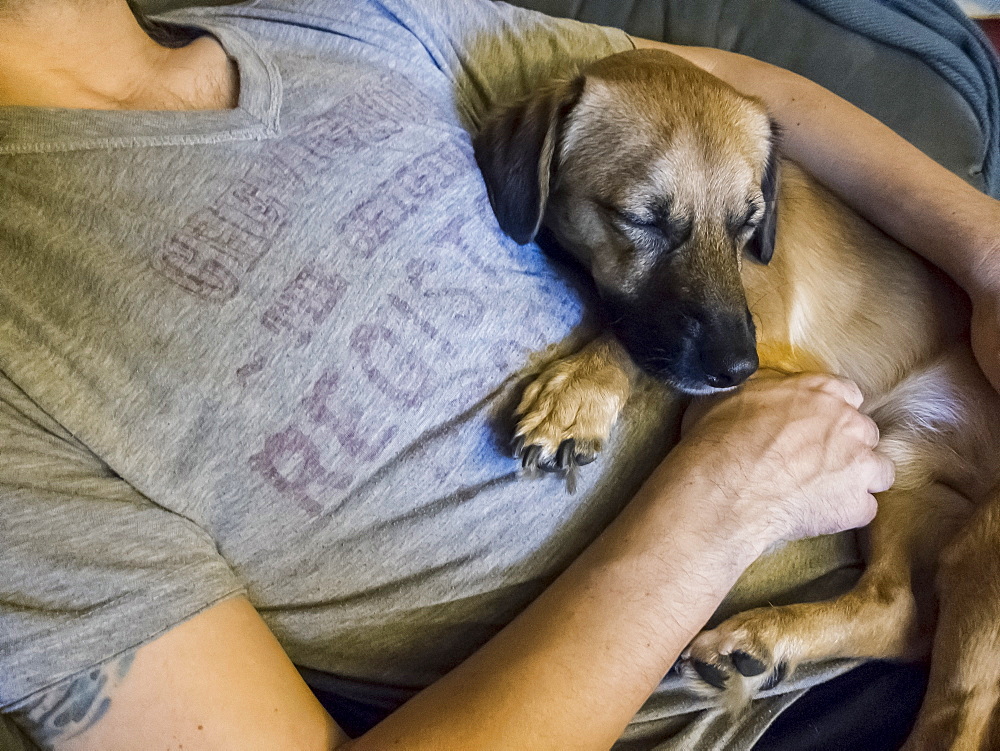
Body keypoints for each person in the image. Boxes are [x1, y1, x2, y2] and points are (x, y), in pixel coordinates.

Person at [0, 0, 997, 749]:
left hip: (918, 551)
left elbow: (720, 95)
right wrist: (719, 506)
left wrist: (990, 256)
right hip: (756, 717)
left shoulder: (355, 20)